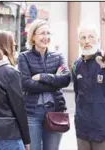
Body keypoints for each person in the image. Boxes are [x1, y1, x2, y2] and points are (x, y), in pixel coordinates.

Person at [18, 19, 71, 150]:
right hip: (32, 113)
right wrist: (54, 83)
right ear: (33, 36)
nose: (45, 37)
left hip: (55, 111)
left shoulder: (59, 56)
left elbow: (65, 79)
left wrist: (42, 76)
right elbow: (26, 83)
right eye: (42, 33)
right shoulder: (23, 57)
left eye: (48, 33)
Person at [72, 25, 105, 150]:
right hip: (83, 130)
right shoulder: (77, 65)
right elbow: (77, 94)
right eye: (83, 37)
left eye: (91, 37)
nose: (87, 41)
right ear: (79, 41)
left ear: (98, 40)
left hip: (104, 129)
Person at [0, 30, 30, 150]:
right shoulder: (10, 73)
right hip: (8, 135)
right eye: (14, 45)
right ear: (8, 46)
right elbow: (19, 108)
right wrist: (27, 140)